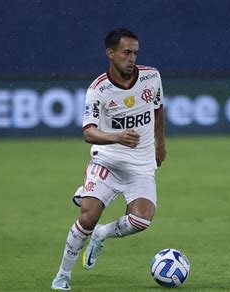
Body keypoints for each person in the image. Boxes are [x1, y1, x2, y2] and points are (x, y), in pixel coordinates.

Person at [51, 28, 166, 290]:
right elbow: (88, 132)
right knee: (88, 217)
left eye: (135, 52)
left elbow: (158, 109)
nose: (132, 58)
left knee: (141, 221)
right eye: (126, 52)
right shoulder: (98, 90)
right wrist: (117, 137)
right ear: (110, 53)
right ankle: (62, 277)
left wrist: (161, 145)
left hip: (141, 166)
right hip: (108, 161)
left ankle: (102, 235)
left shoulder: (152, 77)